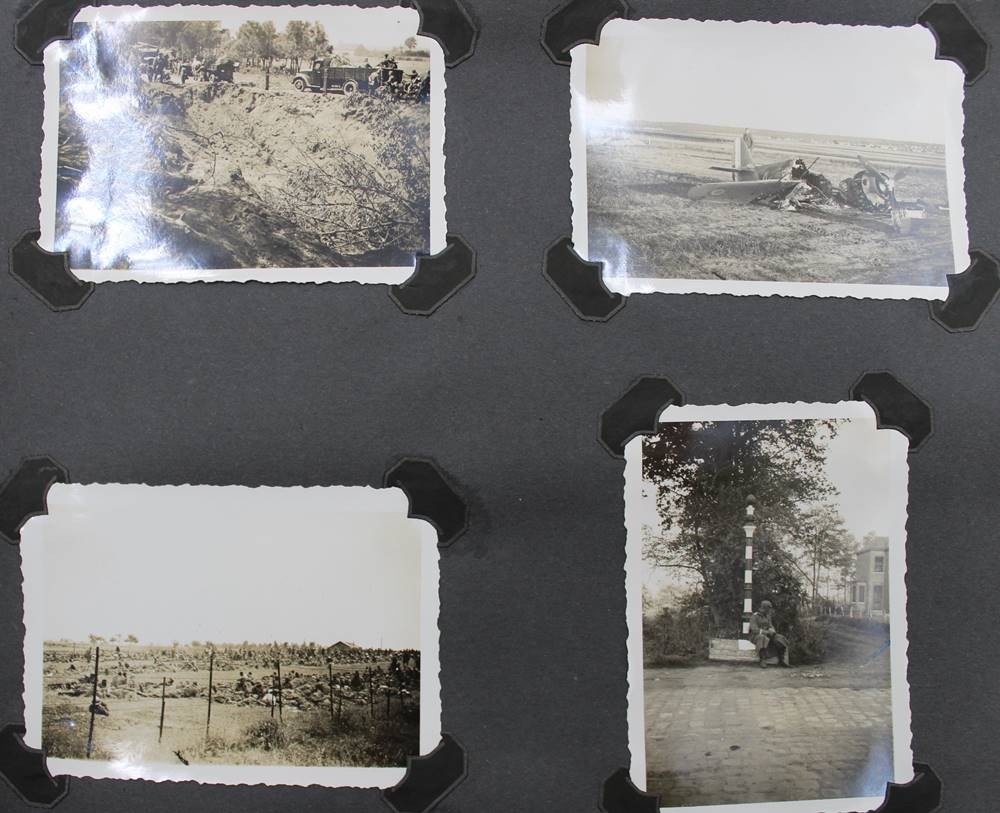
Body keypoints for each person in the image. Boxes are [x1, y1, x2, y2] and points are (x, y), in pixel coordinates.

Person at [749, 600, 790, 668]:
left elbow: (770, 625)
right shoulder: (754, 616)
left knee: (780, 638)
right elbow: (754, 629)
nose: (769, 610)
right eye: (768, 608)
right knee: (762, 638)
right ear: (764, 608)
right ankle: (762, 659)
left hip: (767, 634)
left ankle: (781, 659)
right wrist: (767, 632)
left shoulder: (767, 616)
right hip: (755, 636)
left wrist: (772, 630)